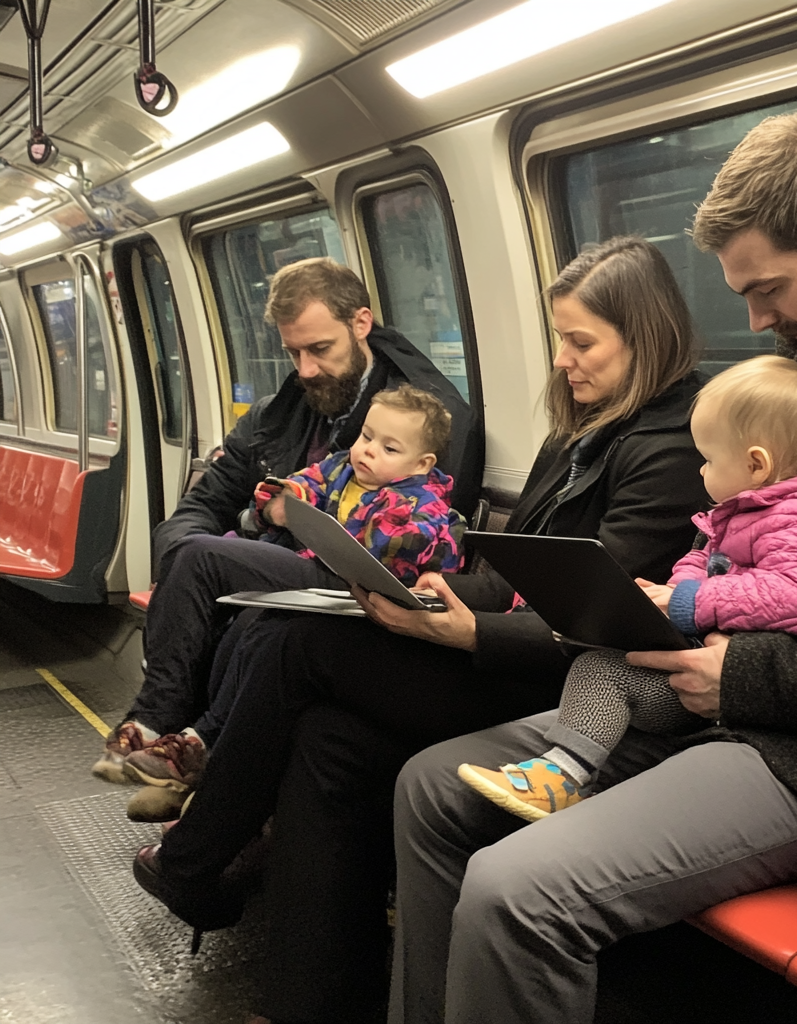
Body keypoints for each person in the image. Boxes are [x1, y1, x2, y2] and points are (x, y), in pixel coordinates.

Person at [388, 109, 797, 1024]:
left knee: (515, 888)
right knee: (433, 789)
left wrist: (738, 675)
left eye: (767, 289)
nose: (757, 319)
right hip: (729, 695)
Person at [130, 236, 709, 1024]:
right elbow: (516, 571)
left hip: (574, 685)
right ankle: (311, 1001)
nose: (564, 361)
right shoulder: (579, 434)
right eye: (559, 341)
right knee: (327, 738)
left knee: (301, 646)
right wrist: (439, 590)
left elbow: (599, 612)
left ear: (644, 337)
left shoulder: (673, 444)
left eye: (581, 342)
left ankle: (195, 859)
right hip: (508, 646)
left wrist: (467, 633)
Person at [92, 257, 482, 788]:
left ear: (360, 324)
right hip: (276, 564)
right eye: (293, 352)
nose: (305, 369)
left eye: (320, 349)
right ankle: (176, 763)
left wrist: (236, 548)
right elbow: (203, 504)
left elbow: (420, 532)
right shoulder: (278, 413)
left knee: (243, 611)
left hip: (350, 589)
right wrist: (197, 556)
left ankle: (163, 733)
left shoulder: (420, 418)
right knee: (194, 559)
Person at [458, 354, 797, 821]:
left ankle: (563, 778)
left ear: (757, 464)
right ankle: (561, 771)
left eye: (708, 459)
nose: (700, 472)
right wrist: (670, 596)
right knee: (600, 663)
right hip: (721, 667)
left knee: (604, 674)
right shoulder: (742, 513)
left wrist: (689, 604)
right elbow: (699, 560)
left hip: (763, 695)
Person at [119, 384, 466, 794]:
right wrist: (284, 499)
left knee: (199, 556)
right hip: (313, 571)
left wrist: (315, 523)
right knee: (243, 622)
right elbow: (303, 485)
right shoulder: (342, 469)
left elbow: (401, 550)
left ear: (422, 463)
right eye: (366, 437)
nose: (368, 451)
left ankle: (159, 716)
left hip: (351, 591)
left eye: (389, 449)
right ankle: (197, 749)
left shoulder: (423, 503)